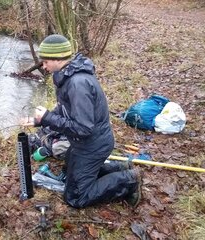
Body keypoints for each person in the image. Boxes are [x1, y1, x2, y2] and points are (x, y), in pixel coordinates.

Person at [21, 34, 142, 208]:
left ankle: (130, 180)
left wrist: (48, 117)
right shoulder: (67, 76)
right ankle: (121, 167)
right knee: (69, 171)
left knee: (75, 198)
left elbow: (83, 128)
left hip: (93, 144)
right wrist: (40, 121)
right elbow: (64, 110)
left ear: (58, 58)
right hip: (83, 142)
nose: (44, 66)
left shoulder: (78, 84)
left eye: (46, 61)